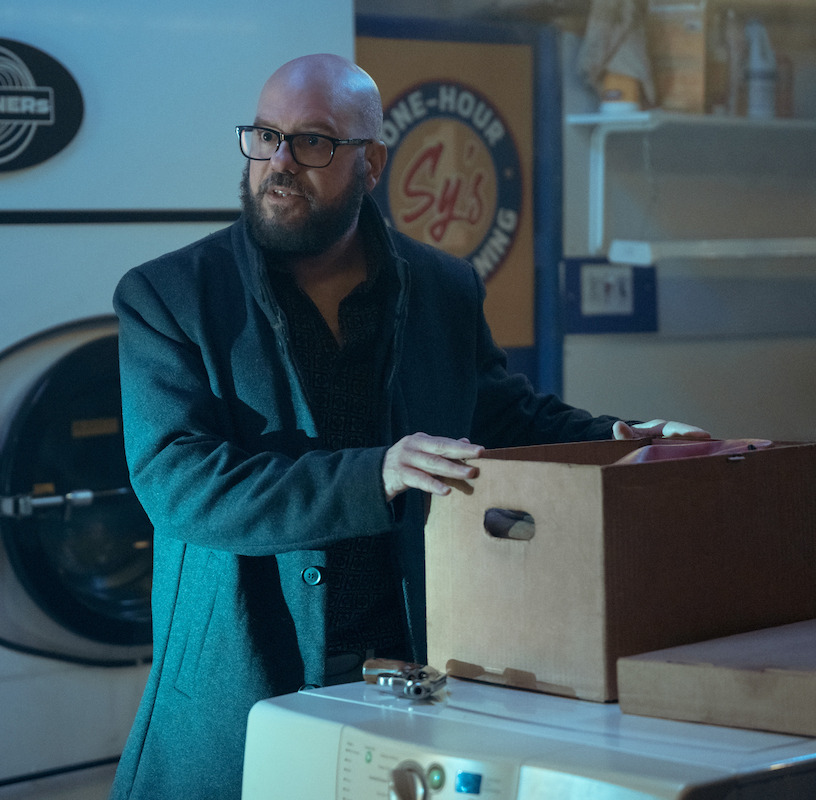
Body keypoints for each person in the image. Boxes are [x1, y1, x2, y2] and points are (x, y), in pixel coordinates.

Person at [108, 53, 707, 800]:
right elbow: (179, 482)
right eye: (266, 135)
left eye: (314, 141)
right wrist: (376, 473)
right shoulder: (169, 298)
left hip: (413, 671)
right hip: (248, 682)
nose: (281, 162)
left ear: (373, 162)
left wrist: (620, 437)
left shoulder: (441, 287)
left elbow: (502, 416)